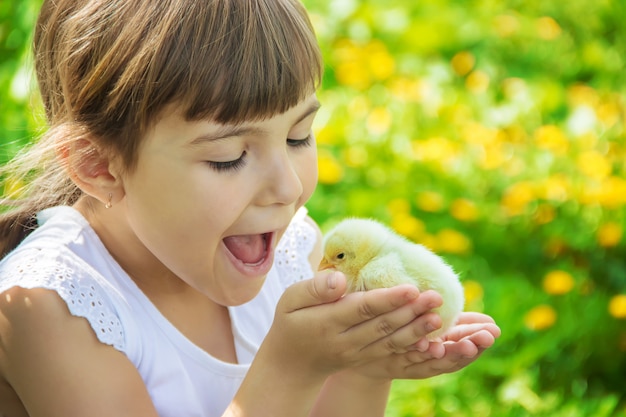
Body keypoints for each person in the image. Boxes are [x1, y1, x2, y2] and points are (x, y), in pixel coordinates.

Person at [0, 0, 501, 416]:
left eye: (300, 136)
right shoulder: (49, 309)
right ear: (99, 166)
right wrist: (289, 369)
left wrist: (359, 363)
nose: (286, 188)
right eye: (228, 157)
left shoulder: (293, 250)